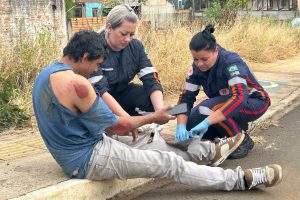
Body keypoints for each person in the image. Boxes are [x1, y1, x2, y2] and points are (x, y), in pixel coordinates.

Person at [32, 30, 282, 192]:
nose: (94, 71)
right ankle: (242, 179)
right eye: (96, 65)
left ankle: (208, 150)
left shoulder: (47, 73)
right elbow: (118, 125)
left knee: (152, 135)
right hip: (87, 157)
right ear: (85, 56)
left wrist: (143, 125)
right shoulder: (78, 84)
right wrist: (156, 116)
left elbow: (100, 124)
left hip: (88, 142)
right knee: (168, 162)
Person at [175, 24, 271, 159]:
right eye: (195, 59)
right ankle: (227, 135)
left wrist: (207, 122)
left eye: (204, 59)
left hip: (254, 103)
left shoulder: (231, 63)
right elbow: (186, 98)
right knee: (191, 122)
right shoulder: (196, 68)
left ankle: (240, 139)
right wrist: (180, 126)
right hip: (224, 104)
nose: (199, 64)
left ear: (216, 51)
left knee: (206, 109)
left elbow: (239, 98)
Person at [89, 4, 163, 117]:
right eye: (123, 34)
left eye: (132, 34)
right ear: (109, 28)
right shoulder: (94, 47)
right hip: (99, 101)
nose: (128, 39)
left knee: (151, 97)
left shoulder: (136, 46)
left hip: (122, 95)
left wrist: (160, 111)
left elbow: (151, 79)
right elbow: (100, 90)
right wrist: (127, 120)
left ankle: (133, 128)